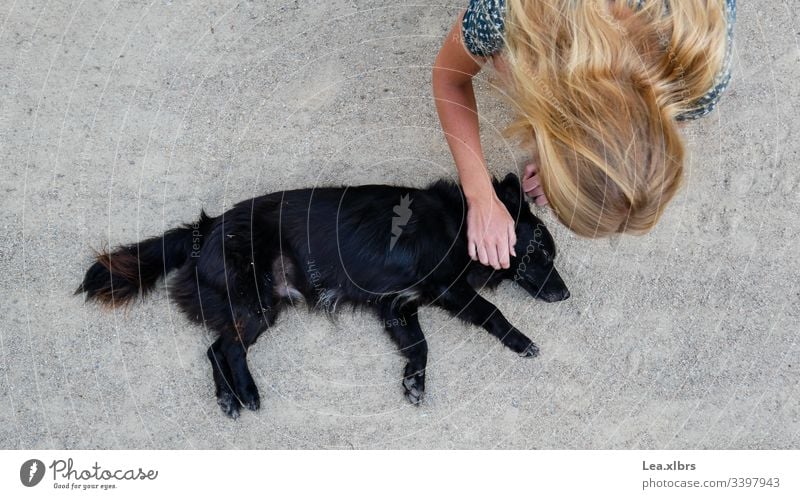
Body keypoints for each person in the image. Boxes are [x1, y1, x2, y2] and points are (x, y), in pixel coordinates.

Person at [432, 0, 736, 270]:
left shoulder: (703, 81)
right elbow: (449, 80)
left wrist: (574, 165)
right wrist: (479, 195)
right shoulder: (511, 12)